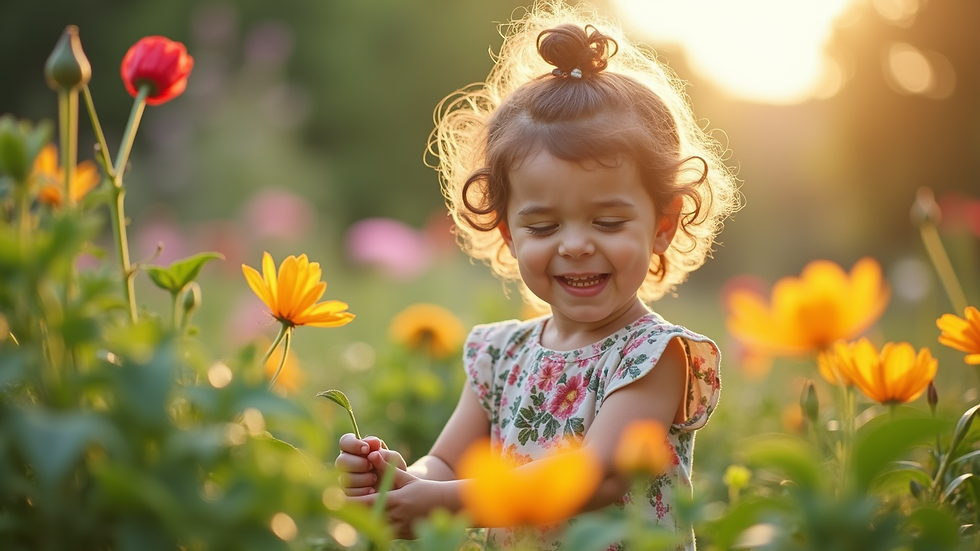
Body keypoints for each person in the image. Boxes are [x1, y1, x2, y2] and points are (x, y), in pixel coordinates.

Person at [335, 1, 740, 548]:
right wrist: (405, 482)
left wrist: (440, 502)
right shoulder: (499, 355)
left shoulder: (653, 357)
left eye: (608, 220)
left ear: (663, 225)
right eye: (544, 226)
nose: (575, 245)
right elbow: (448, 461)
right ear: (508, 234)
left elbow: (596, 476)